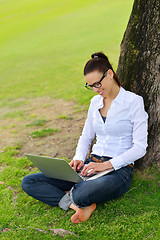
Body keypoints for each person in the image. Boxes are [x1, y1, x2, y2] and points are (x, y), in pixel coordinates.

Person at [22, 52, 148, 224]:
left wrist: (105, 165)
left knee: (82, 192)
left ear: (110, 74)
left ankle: (74, 194)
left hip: (118, 170)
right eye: (91, 86)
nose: (96, 90)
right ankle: (76, 206)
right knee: (29, 181)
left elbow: (140, 147)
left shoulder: (134, 102)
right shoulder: (95, 103)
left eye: (98, 83)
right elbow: (86, 136)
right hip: (89, 166)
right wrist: (78, 159)